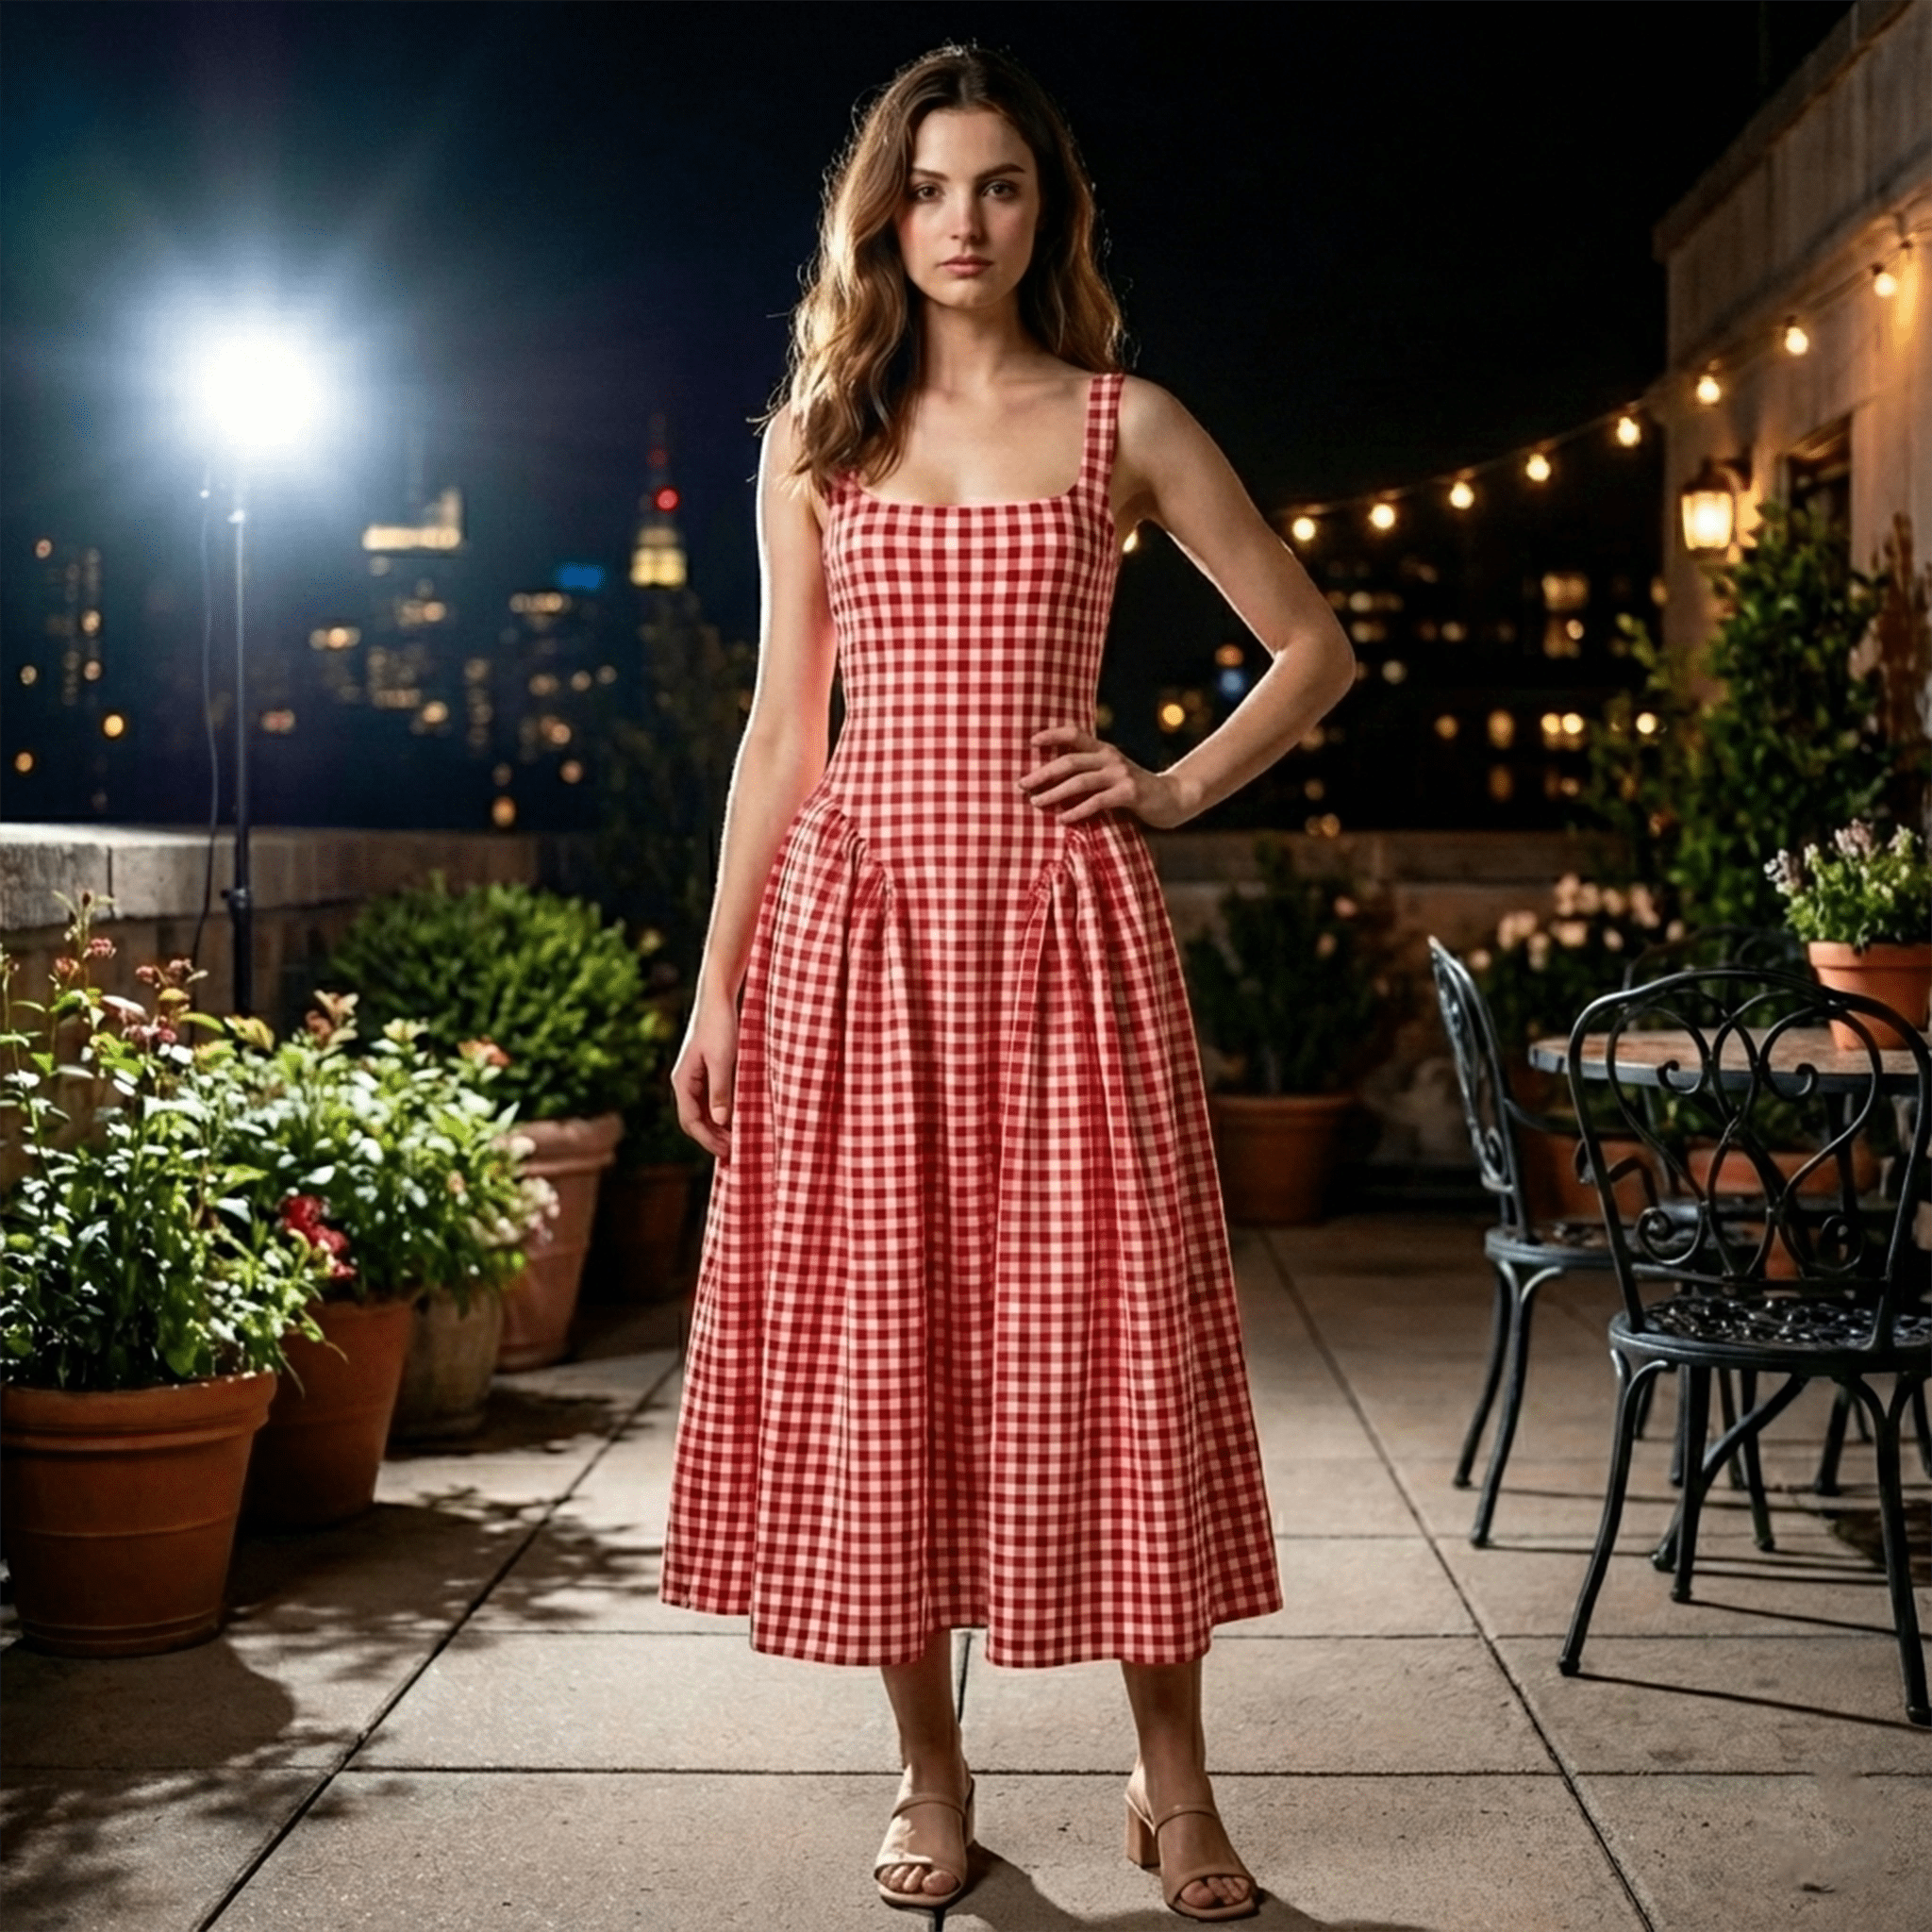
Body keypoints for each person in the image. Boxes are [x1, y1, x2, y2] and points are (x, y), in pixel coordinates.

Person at [663, 42, 1356, 1924]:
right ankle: (929, 1769)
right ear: (883, 214)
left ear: (1048, 215)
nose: (963, 223)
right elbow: (778, 736)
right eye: (932, 188)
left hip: (1065, 937)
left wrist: (1170, 783)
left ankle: (1172, 1782)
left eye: (1002, 189)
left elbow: (1310, 644)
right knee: (891, 1362)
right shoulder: (820, 439)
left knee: (1118, 1348)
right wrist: (715, 988)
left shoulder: (1122, 422)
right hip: (858, 933)